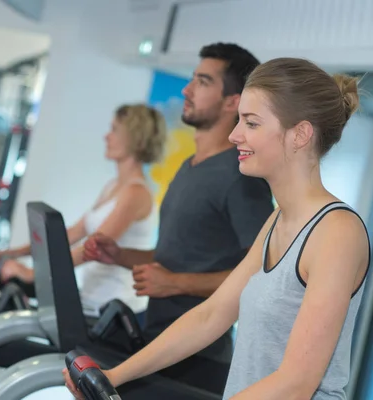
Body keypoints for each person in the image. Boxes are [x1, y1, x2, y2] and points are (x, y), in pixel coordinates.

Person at [64, 57, 371, 399]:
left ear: (299, 134)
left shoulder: (337, 233)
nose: (234, 134)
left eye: (251, 123)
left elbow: (297, 383)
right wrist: (113, 376)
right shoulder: (277, 221)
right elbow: (211, 315)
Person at [81, 43, 275, 393]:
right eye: (192, 79)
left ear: (234, 101)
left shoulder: (242, 179)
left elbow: (262, 277)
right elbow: (175, 258)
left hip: (200, 358)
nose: (187, 89)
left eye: (202, 81)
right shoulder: (190, 167)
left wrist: (177, 283)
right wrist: (120, 256)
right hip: (159, 339)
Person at [0, 104, 167, 317]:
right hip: (90, 297)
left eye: (114, 130)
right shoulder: (113, 186)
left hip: (114, 308)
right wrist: (17, 252)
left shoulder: (136, 193)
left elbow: (93, 247)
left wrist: (35, 274)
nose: (106, 136)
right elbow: (71, 234)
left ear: (135, 139)